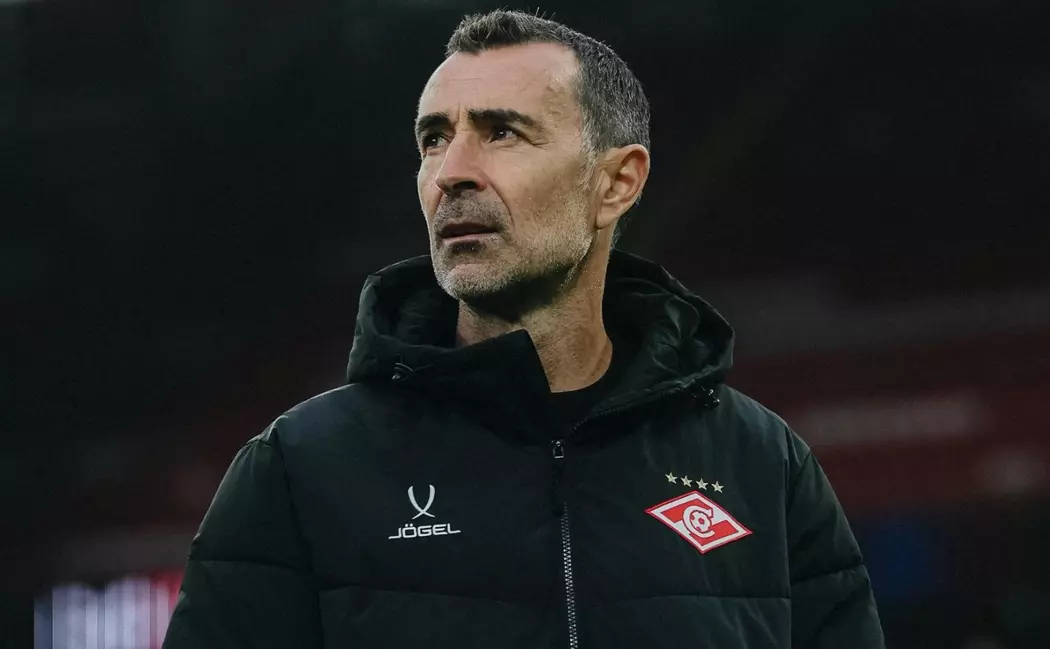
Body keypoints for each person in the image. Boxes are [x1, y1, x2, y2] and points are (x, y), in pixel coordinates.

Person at [163, 9, 884, 649]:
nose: (451, 172)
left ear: (617, 182)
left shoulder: (762, 464)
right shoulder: (300, 468)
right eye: (434, 139)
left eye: (502, 132)